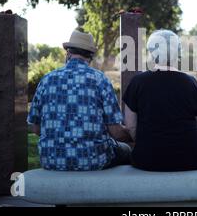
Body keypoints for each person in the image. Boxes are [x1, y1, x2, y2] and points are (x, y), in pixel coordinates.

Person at [27, 30, 132, 171]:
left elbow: (35, 128)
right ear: (90, 57)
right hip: (93, 159)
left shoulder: (46, 79)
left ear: (68, 53)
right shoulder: (100, 79)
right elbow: (117, 132)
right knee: (126, 149)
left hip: (50, 159)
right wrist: (134, 134)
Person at [123, 30, 197, 172]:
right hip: (192, 159)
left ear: (152, 53)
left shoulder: (138, 82)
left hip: (147, 159)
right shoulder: (190, 82)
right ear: (178, 53)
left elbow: (131, 126)